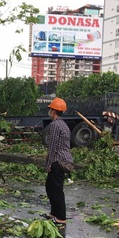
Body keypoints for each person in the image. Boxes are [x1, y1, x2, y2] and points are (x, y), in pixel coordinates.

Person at [44, 98, 73, 229]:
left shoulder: (55, 125)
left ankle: (61, 217)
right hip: (63, 160)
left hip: (58, 161)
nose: (49, 111)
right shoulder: (64, 124)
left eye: (50, 109)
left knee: (56, 190)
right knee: (50, 187)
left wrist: (48, 165)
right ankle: (53, 213)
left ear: (54, 111)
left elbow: (52, 147)